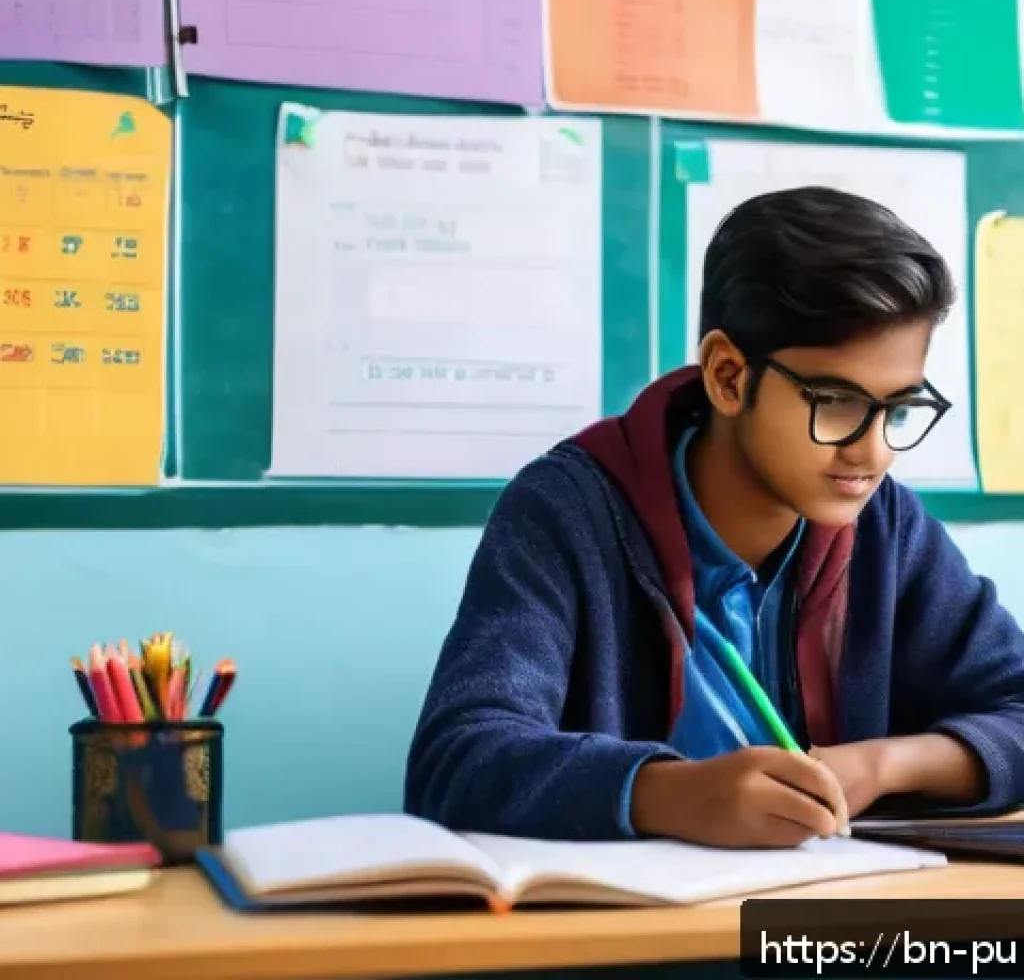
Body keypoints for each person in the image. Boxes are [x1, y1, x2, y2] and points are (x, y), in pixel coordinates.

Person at [404, 187, 1024, 848]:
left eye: (898, 409)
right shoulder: (568, 513)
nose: (871, 451)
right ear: (728, 377)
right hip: (631, 939)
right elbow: (455, 762)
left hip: (820, 929)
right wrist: (666, 794)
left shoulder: (883, 527)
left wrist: (881, 765)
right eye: (836, 401)